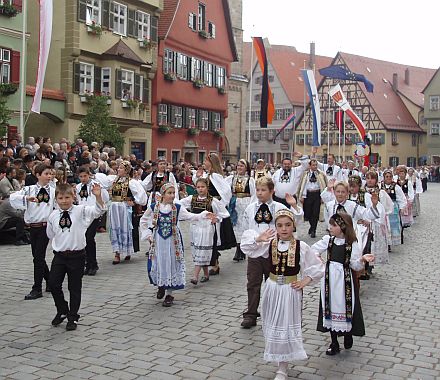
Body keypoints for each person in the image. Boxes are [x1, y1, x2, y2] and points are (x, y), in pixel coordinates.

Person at [241, 209, 324, 380]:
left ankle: (282, 367)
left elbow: (317, 267)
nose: (284, 229)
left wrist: (304, 281)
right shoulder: (269, 243)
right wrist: (258, 238)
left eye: (287, 225)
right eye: (279, 225)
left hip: (290, 290)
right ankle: (278, 358)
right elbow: (247, 248)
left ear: (293, 226)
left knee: (286, 325)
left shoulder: (301, 246)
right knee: (272, 323)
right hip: (272, 288)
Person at [240, 177, 303, 329]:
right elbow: (245, 228)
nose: (260, 193)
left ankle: (274, 313)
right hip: (255, 253)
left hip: (273, 253)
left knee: (274, 284)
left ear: (272, 191)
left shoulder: (279, 207)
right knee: (253, 283)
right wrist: (256, 239)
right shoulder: (251, 208)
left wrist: (294, 206)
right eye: (258, 190)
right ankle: (251, 314)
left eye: (263, 190)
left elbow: (294, 223)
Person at [140, 183, 215, 307]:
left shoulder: (177, 208)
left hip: (173, 241)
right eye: (169, 193)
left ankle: (169, 293)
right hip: (158, 240)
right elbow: (143, 220)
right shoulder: (154, 207)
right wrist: (148, 235)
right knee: (160, 262)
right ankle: (161, 285)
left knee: (172, 263)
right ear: (163, 194)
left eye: (173, 193)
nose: (172, 195)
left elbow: (191, 216)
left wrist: (203, 215)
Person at [312, 212, 374, 355]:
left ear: (342, 226)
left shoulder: (351, 243)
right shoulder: (328, 240)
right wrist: (317, 258)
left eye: (334, 225)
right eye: (331, 224)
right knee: (330, 306)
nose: (331, 227)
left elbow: (355, 265)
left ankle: (347, 333)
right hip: (329, 280)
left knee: (344, 305)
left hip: (344, 281)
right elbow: (312, 250)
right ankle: (334, 341)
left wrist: (362, 260)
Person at [47, 183, 106, 331]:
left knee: (74, 287)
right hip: (60, 256)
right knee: (53, 284)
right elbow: (50, 234)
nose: (64, 201)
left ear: (74, 197)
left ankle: (73, 316)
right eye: (60, 198)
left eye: (67, 197)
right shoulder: (53, 215)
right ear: (56, 199)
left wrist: (98, 196)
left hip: (77, 256)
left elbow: (99, 210)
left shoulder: (81, 211)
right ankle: (62, 309)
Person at [10, 163, 55, 300]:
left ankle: (37, 288)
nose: (49, 176)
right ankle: (50, 282)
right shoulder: (29, 189)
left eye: (50, 174)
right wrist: (26, 198)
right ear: (38, 175)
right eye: (46, 174)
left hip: (44, 227)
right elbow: (12, 198)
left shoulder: (53, 191)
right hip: (32, 227)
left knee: (38, 258)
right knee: (37, 257)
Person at [179, 178, 229, 284]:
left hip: (207, 229)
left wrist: (217, 218)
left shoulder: (212, 200)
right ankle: (206, 274)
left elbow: (224, 213)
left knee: (202, 250)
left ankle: (195, 276)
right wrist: (188, 215)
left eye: (203, 187)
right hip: (195, 228)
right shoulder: (192, 198)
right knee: (198, 251)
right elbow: (179, 204)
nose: (200, 189)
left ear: (207, 188)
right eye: (198, 187)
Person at [95, 161, 147, 264]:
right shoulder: (113, 179)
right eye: (118, 168)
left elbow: (141, 194)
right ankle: (117, 252)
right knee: (114, 229)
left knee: (125, 229)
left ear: (127, 170)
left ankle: (127, 250)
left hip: (124, 208)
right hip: (114, 207)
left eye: (121, 168)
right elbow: (100, 179)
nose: (118, 169)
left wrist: (134, 201)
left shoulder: (131, 182)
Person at [193, 153, 236, 275]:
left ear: (211, 163)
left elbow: (226, 192)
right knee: (208, 235)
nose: (204, 163)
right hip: (205, 207)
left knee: (213, 235)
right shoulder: (207, 175)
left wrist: (219, 205)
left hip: (213, 208)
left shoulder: (216, 176)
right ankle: (213, 262)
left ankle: (215, 263)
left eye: (206, 161)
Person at [76, 166, 110, 276]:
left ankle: (93, 263)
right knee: (83, 239)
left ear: (89, 174)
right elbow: (79, 200)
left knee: (89, 237)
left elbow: (104, 197)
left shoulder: (96, 185)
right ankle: (87, 263)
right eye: (80, 176)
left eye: (85, 176)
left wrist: (100, 209)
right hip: (83, 214)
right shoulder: (78, 187)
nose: (83, 178)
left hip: (94, 214)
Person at [226, 159, 256, 262]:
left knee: (244, 226)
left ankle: (242, 249)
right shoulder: (231, 178)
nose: (239, 168)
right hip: (235, 204)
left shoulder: (250, 180)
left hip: (245, 203)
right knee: (236, 227)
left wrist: (251, 207)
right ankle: (238, 249)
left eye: (242, 166)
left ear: (246, 168)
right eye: (238, 165)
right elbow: (223, 187)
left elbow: (254, 194)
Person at [296, 159, 327, 238]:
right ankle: (311, 226)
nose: (315, 166)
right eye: (313, 165)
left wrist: (323, 196)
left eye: (316, 165)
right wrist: (301, 195)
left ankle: (313, 230)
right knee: (308, 213)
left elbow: (324, 184)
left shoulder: (320, 174)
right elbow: (302, 185)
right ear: (310, 166)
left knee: (316, 213)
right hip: (308, 195)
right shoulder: (305, 174)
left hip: (317, 194)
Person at [381, 169, 407, 247]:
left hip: (393, 208)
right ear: (384, 177)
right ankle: (385, 242)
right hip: (383, 207)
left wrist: (402, 207)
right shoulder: (380, 186)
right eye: (386, 177)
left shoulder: (396, 187)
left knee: (393, 225)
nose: (388, 178)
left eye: (390, 177)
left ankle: (391, 241)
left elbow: (401, 198)